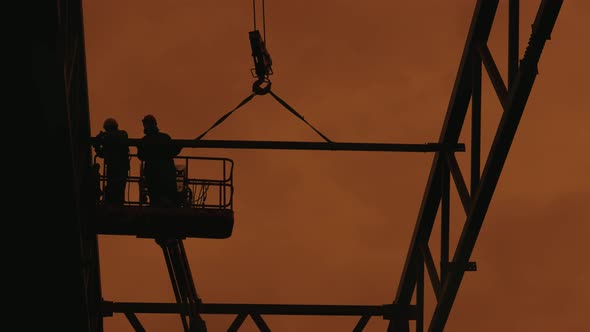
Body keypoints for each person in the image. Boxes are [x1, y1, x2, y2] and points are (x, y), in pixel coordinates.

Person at [137, 114, 182, 207]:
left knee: (155, 198)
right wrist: (179, 146)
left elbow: (141, 156)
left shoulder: (145, 140)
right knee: (168, 198)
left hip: (153, 174)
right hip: (166, 174)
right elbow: (173, 151)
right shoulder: (164, 137)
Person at [92, 118, 130, 206]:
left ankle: (115, 204)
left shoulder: (120, 134)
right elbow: (102, 153)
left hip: (116, 167)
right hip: (118, 167)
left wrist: (101, 138)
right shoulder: (118, 135)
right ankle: (116, 203)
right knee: (117, 187)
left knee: (116, 186)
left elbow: (101, 148)